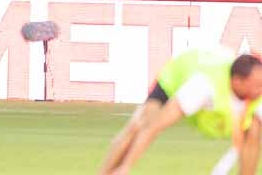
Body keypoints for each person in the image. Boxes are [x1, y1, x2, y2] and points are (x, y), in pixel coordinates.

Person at [98, 49, 262, 175]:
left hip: (218, 95)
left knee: (254, 130)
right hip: (176, 78)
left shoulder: (256, 92)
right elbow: (155, 127)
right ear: (237, 82)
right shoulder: (202, 86)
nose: (260, 90)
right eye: (257, 85)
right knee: (141, 124)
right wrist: (126, 167)